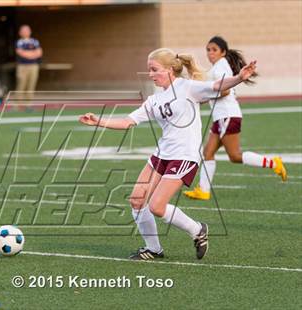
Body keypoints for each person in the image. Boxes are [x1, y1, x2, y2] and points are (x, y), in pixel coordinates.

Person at [79, 48, 257, 260]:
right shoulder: (154, 99)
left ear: (171, 69)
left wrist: (238, 78)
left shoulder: (187, 87)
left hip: (184, 156)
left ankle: (197, 229)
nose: (151, 75)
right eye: (149, 70)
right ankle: (153, 249)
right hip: (161, 155)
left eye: (155, 70)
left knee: (156, 206)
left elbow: (217, 86)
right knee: (137, 200)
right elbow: (128, 121)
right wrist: (99, 121)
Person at [184, 36, 287, 201]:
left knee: (234, 156)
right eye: (208, 50)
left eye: (214, 50)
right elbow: (215, 91)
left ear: (223, 52)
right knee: (207, 152)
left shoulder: (220, 67)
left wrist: (205, 96)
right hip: (222, 117)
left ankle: (273, 162)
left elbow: (224, 91)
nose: (210, 53)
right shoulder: (218, 67)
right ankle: (203, 191)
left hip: (227, 115)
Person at [15, 25, 42, 98]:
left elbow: (39, 52)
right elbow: (20, 52)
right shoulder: (19, 42)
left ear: (30, 32)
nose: (25, 32)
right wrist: (32, 54)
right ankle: (18, 105)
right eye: (23, 31)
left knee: (31, 85)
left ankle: (28, 105)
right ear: (20, 33)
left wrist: (28, 54)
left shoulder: (35, 41)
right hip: (22, 66)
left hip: (33, 66)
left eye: (27, 30)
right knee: (21, 84)